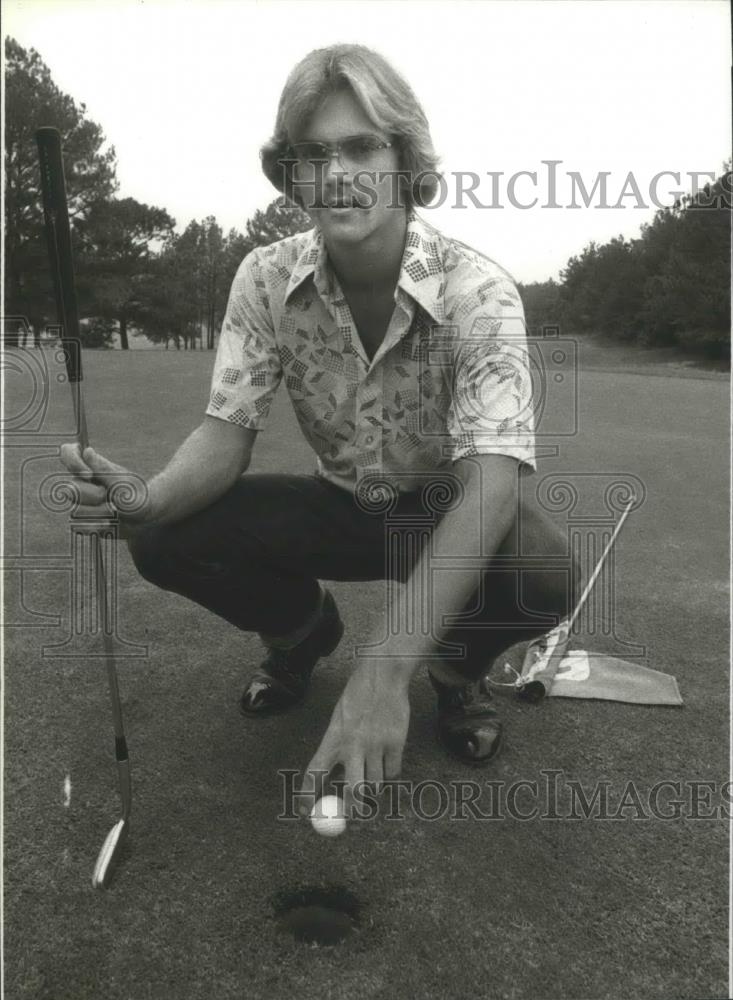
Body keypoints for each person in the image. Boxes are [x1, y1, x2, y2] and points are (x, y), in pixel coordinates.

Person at [60, 44, 578, 812]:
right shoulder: (264, 278)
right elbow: (225, 432)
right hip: (337, 502)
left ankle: (452, 671)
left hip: (443, 508)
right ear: (290, 174)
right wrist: (150, 499)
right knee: (164, 536)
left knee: (543, 574)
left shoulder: (480, 292)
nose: (336, 173)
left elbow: (490, 488)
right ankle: (303, 634)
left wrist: (384, 672)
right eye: (312, 154)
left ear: (405, 159)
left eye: (362, 146)